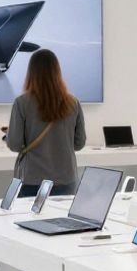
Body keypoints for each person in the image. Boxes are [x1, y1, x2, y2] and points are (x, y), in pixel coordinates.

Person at [7, 50, 86, 197]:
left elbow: (14, 145)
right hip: (66, 179)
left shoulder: (22, 103)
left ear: (31, 72)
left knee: (30, 213)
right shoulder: (73, 102)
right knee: (62, 213)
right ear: (57, 71)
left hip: (33, 179)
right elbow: (79, 143)